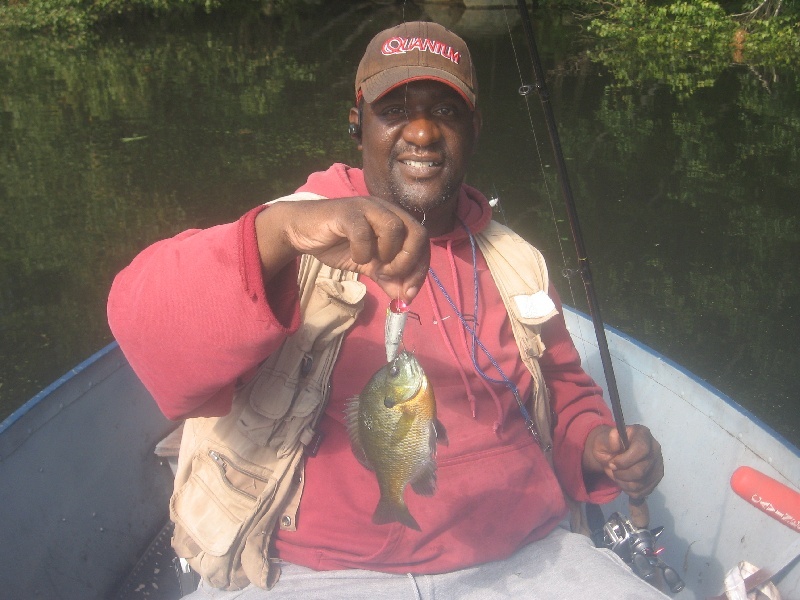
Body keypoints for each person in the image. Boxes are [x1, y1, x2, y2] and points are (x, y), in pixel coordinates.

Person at [108, 20, 666, 599]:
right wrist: (278, 236)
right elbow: (141, 325)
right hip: (312, 572)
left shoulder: (515, 260)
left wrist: (600, 447)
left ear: (475, 129)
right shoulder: (292, 232)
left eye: (445, 112)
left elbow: (567, 394)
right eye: (395, 109)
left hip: (529, 555)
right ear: (358, 124)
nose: (421, 131)